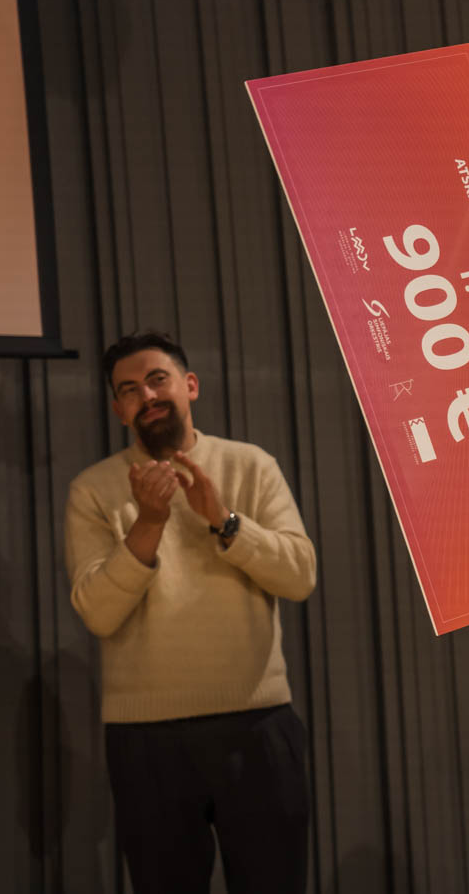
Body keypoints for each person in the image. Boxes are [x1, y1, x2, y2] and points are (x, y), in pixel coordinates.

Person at [65, 330, 317, 894]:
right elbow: (98, 613)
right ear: (118, 409)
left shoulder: (250, 465)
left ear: (190, 386)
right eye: (129, 390)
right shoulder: (93, 490)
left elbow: (300, 575)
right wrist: (149, 523)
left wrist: (224, 520)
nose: (147, 396)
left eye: (158, 380)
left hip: (257, 723)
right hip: (145, 739)